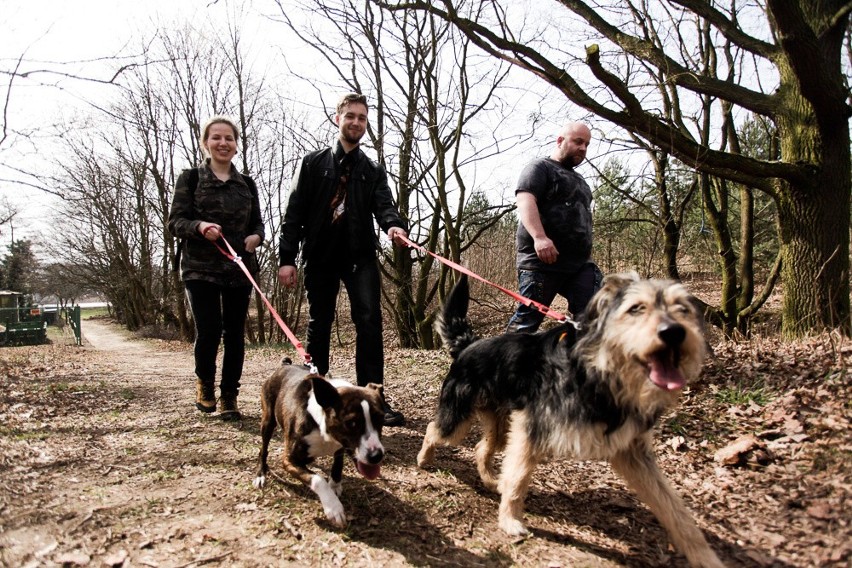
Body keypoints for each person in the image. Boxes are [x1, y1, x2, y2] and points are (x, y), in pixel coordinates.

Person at [278, 92, 409, 427]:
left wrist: (394, 227)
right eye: (350, 116)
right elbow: (294, 212)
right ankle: (311, 396)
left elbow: (385, 206)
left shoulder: (372, 170)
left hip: (359, 256)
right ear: (338, 119)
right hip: (320, 255)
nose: (356, 122)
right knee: (318, 322)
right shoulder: (312, 163)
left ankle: (374, 399)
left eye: (362, 118)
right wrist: (287, 258)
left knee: (369, 322)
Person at [167, 116, 265, 420]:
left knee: (235, 334)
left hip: (239, 269)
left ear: (236, 145)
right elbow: (175, 222)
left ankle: (229, 396)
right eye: (216, 138)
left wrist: (256, 237)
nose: (223, 143)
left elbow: (258, 223)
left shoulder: (246, 183)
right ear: (206, 143)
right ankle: (205, 386)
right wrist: (199, 226)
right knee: (208, 330)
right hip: (201, 268)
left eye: (229, 139)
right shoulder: (191, 179)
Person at [506, 121, 601, 333]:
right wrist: (540, 237)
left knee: (593, 316)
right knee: (526, 324)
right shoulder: (540, 168)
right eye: (578, 142)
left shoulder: (581, 181)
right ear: (560, 141)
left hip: (578, 266)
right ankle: (500, 364)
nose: (583, 148)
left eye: (587, 144)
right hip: (541, 262)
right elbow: (525, 200)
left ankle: (578, 363)